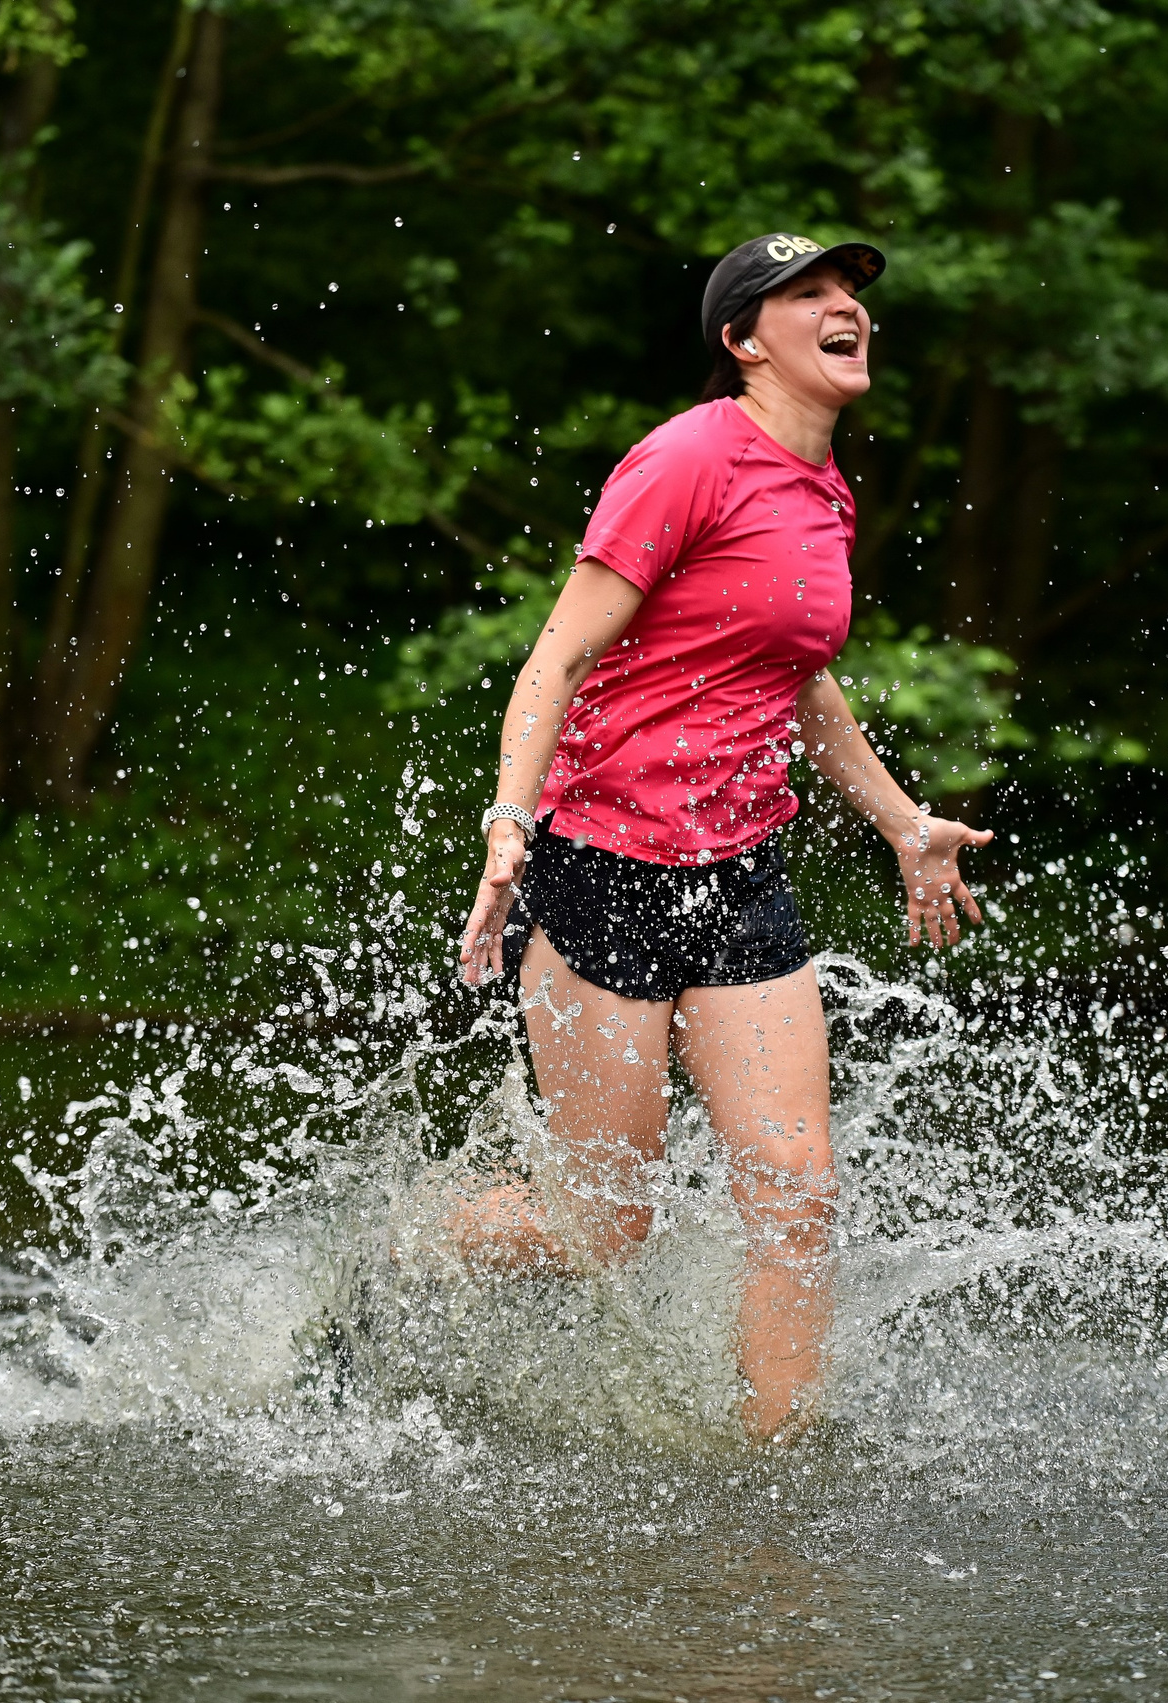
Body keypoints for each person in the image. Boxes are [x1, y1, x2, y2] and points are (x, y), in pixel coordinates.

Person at [450, 232, 995, 1445]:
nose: (846, 308)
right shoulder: (687, 457)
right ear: (744, 340)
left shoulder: (824, 492)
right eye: (810, 296)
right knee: (603, 1224)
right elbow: (560, 652)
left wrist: (904, 823)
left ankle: (773, 1473)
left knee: (798, 1192)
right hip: (600, 864)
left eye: (852, 295)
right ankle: (412, 1248)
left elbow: (801, 682)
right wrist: (508, 822)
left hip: (741, 869)